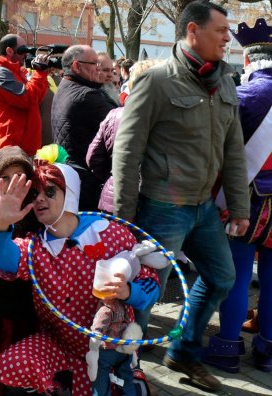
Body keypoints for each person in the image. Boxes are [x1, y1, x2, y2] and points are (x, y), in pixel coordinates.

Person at [112, 1, 250, 392]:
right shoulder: (156, 82)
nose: (228, 38)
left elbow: (234, 150)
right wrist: (123, 218)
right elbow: (127, 152)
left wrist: (238, 206)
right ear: (193, 30)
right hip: (161, 207)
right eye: (221, 30)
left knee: (222, 278)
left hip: (204, 207)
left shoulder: (225, 82)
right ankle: (122, 370)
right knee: (143, 295)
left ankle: (183, 351)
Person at [0, 145, 159, 395]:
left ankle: (129, 374)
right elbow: (3, 258)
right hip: (59, 343)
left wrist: (129, 291)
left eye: (50, 191)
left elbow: (151, 284)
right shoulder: (34, 246)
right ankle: (58, 385)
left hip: (106, 347)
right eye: (35, 194)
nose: (40, 199)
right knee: (13, 362)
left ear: (71, 194)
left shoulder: (109, 233)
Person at [202, 17, 272, 374]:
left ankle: (228, 347)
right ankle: (268, 351)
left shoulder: (241, 95)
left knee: (237, 274)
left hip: (246, 201)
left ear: (248, 60)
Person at [0, 146, 38, 396]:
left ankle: (27, 381)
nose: (12, 185)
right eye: (5, 178)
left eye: (19, 177)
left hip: (26, 296)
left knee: (26, 339)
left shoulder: (35, 209)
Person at [86, 60, 160, 214]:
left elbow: (93, 158)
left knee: (118, 238)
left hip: (115, 197)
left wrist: (113, 175)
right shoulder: (167, 119)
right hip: (152, 203)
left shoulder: (114, 115)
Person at [52, 45, 116, 211]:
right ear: (76, 66)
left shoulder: (65, 86)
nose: (99, 69)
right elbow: (120, 122)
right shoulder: (86, 95)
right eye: (94, 64)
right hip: (85, 180)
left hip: (73, 175)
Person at [0, 34, 49, 156]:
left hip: (26, 147)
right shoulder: (0, 74)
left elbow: (36, 99)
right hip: (12, 147)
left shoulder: (16, 72)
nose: (25, 55)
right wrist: (39, 74)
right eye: (22, 51)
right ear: (9, 51)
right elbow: (27, 99)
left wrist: (43, 73)